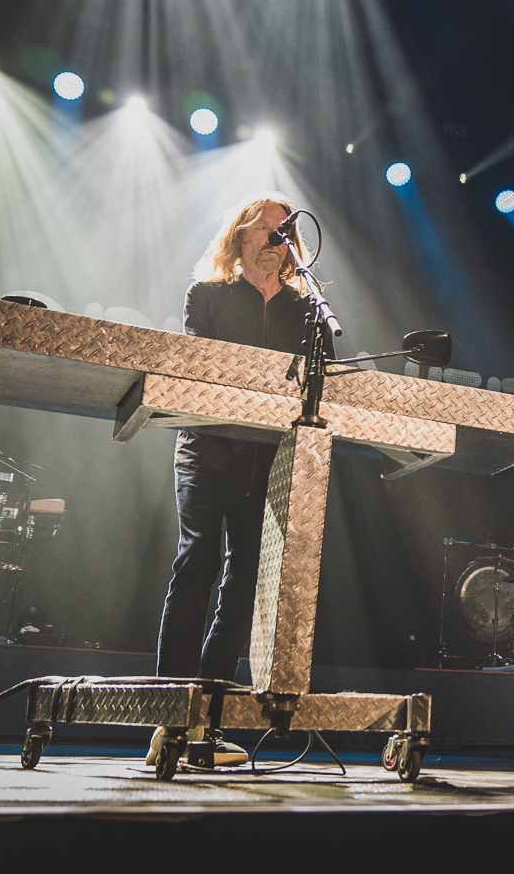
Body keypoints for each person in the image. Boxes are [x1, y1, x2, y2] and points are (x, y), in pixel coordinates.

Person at [149, 194, 329, 766]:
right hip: (208, 452)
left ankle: (205, 724)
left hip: (269, 463)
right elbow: (197, 370)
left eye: (287, 227)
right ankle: (168, 719)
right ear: (242, 232)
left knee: (245, 585)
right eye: (267, 222)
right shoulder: (208, 292)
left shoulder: (306, 308)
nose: (279, 231)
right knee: (196, 567)